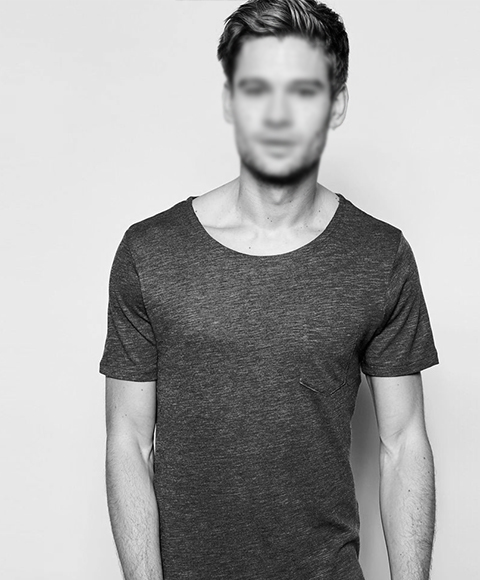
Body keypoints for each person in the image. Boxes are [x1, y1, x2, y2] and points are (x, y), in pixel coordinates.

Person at [99, 1, 439, 578]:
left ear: (336, 105)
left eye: (302, 91)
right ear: (230, 101)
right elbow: (128, 440)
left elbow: (403, 442)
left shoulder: (380, 257)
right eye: (257, 89)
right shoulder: (149, 253)